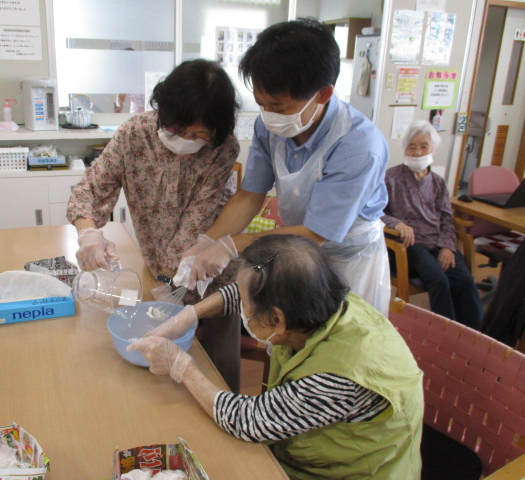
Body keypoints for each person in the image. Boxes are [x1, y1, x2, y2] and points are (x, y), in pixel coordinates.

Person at [129, 234, 424, 479]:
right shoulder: (318, 299)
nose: (241, 307)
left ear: (276, 320)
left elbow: (250, 421)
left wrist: (182, 366)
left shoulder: (341, 375)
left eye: (247, 305)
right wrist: (192, 313)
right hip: (311, 448)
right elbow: (241, 291)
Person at [177, 18, 391, 316]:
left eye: (278, 107)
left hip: (347, 259)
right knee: (285, 335)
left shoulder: (358, 146)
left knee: (337, 345)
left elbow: (317, 234)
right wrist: (206, 241)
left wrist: (230, 246)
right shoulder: (271, 127)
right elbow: (250, 195)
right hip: (294, 250)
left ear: (323, 94)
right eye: (261, 103)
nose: (268, 115)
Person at [67, 58, 242, 391]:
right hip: (157, 270)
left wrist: (172, 279)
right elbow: (91, 187)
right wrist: (88, 233)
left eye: (198, 135)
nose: (186, 140)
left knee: (218, 367)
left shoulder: (222, 148)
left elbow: (198, 219)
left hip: (212, 270)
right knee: (156, 366)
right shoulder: (135, 134)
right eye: (177, 130)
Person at [382, 120, 483, 329]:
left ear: (432, 149)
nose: (418, 152)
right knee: (439, 280)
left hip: (438, 242)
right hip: (411, 244)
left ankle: (477, 334)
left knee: (464, 280)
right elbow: (375, 211)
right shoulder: (390, 177)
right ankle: (444, 333)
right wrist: (397, 223)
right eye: (412, 146)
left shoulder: (438, 182)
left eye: (423, 146)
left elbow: (446, 217)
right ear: (404, 149)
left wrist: (447, 246)